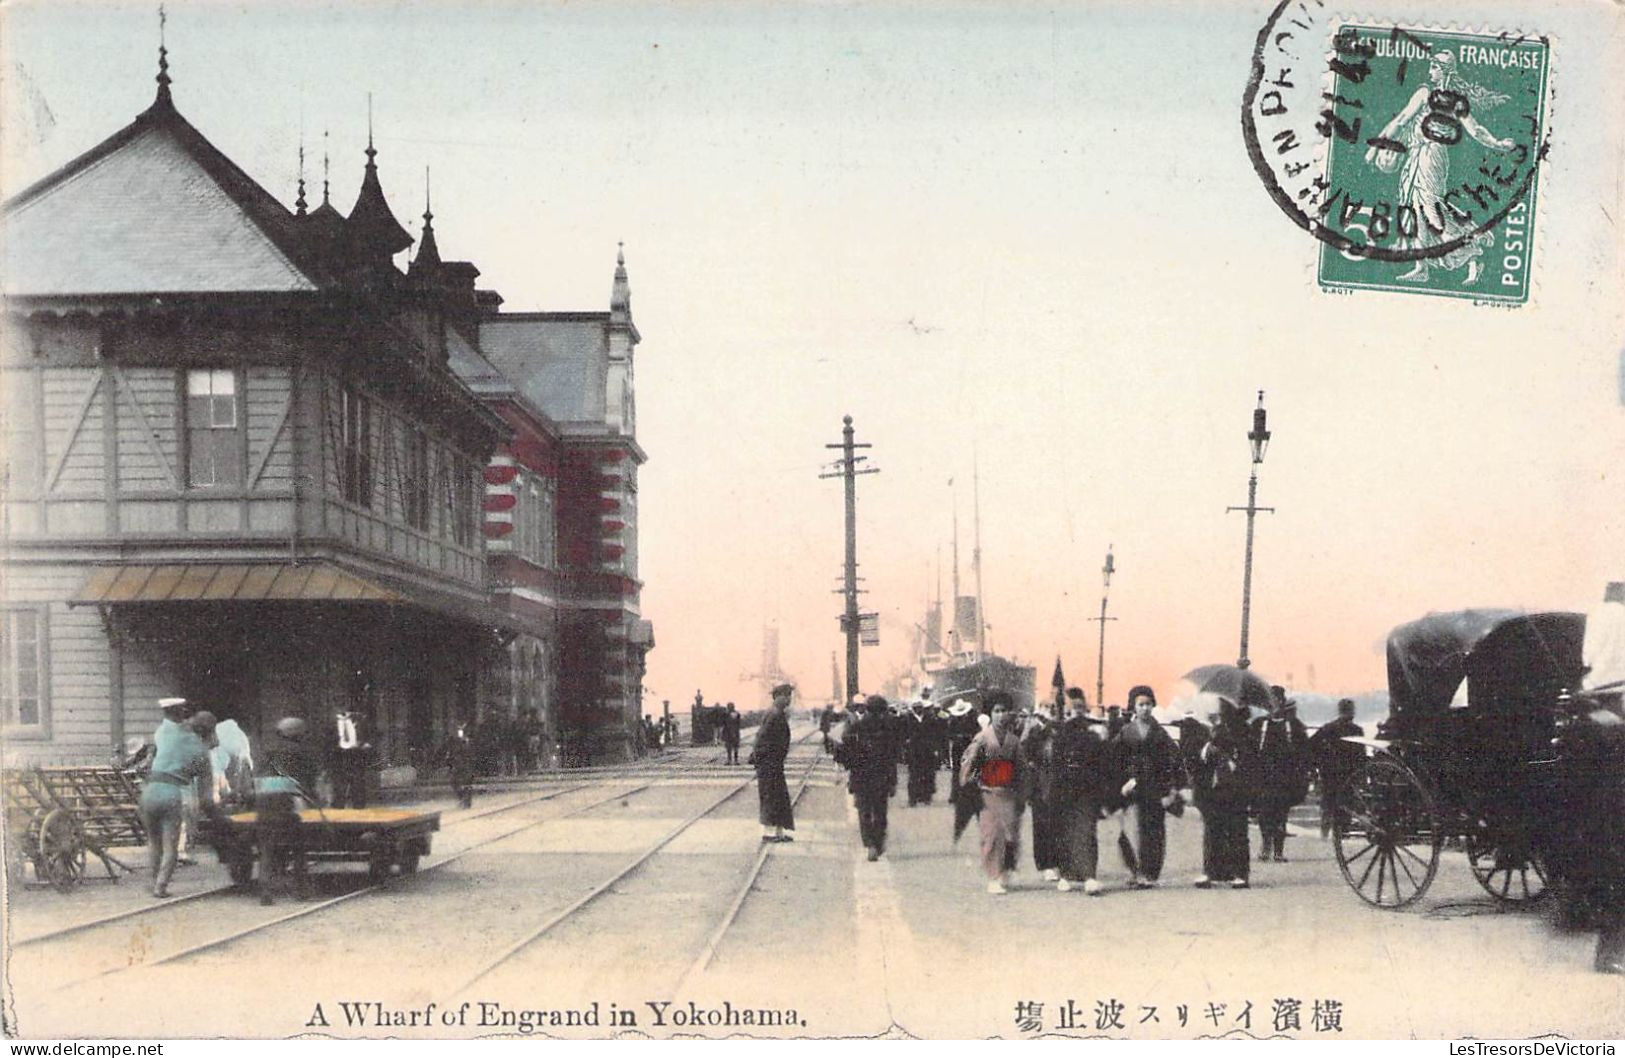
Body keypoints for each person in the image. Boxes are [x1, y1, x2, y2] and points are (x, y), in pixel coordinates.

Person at [139, 710, 221, 898]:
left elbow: (173, 725)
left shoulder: (168, 732)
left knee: (153, 841)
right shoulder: (202, 752)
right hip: (171, 793)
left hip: (149, 791)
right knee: (171, 845)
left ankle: (152, 881)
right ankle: (161, 886)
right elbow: (205, 796)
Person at [1114, 685, 1181, 889]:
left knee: (1154, 830)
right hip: (1133, 786)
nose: (1145, 708)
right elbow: (1115, 758)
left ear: (1153, 706)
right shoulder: (1126, 732)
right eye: (1140, 705)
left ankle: (1151, 873)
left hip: (1155, 785)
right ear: (1133, 707)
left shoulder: (1160, 733)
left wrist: (1171, 788)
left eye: (1148, 704)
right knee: (1133, 829)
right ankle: (1136, 870)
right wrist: (1123, 781)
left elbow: (1173, 759)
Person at [960, 692, 1027, 894]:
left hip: (1008, 793)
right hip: (987, 792)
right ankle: (993, 876)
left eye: (1004, 710)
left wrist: (1022, 793)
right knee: (991, 835)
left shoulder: (1014, 741)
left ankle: (1006, 869)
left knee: (1010, 835)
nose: (1000, 715)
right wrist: (971, 781)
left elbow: (1022, 770)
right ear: (990, 714)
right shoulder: (981, 739)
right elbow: (968, 764)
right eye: (996, 711)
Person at [254, 716, 322, 905]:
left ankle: (265, 892)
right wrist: (316, 800)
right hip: (286, 801)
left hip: (263, 802)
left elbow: (257, 775)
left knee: (266, 848)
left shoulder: (267, 751)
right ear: (299, 735)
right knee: (298, 845)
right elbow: (310, 782)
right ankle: (301, 890)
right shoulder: (302, 752)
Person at [1053, 688, 1110, 895]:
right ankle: (1066, 874)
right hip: (1065, 787)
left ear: (1085, 708)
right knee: (1065, 831)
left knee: (1086, 831)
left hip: (1087, 788)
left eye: (1080, 707)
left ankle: (1089, 876)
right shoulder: (1060, 731)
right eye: (1073, 707)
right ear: (1067, 708)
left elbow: (1101, 763)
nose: (1077, 711)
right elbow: (1056, 763)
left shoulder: (1094, 731)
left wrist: (1102, 792)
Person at [1194, 699, 1255, 889]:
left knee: (1229, 828)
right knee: (1220, 827)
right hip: (1223, 784)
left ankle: (1230, 872)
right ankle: (1224, 872)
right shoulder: (1224, 730)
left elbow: (1246, 757)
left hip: (1232, 784)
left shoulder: (1237, 731)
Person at [836, 695, 899, 860]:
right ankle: (877, 844)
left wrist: (850, 768)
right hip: (881, 778)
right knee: (880, 813)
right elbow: (892, 758)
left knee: (864, 812)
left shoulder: (856, 727)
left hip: (861, 777)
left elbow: (843, 752)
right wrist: (892, 782)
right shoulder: (888, 729)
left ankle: (870, 844)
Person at [1251, 686, 1309, 862]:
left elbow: (1304, 750)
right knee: (1263, 813)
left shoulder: (1293, 725)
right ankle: (1265, 844)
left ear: (1282, 702)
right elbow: (1250, 749)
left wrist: (1302, 773)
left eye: (1276, 700)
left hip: (1285, 777)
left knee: (1281, 813)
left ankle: (1278, 850)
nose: (1274, 705)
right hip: (1263, 776)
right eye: (1270, 701)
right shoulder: (1259, 725)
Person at [1309, 698, 1365, 839]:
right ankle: (1341, 835)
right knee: (1345, 804)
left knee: (1328, 805)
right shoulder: (1357, 730)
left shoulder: (1328, 728)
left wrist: (1317, 765)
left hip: (1330, 772)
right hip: (1348, 773)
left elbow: (1311, 746)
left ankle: (1325, 835)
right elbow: (1361, 755)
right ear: (1352, 712)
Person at [749, 683, 795, 843]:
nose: (789, 699)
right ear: (779, 697)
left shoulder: (777, 713)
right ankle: (769, 833)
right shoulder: (774, 714)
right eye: (787, 695)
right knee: (771, 796)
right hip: (769, 763)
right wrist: (761, 757)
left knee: (778, 796)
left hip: (773, 763)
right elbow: (762, 738)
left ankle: (778, 831)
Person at [1022, 709, 1063, 882]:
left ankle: (1060, 862)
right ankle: (1046, 864)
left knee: (1059, 825)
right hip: (1040, 785)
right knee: (1041, 825)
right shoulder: (1035, 734)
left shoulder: (1062, 733)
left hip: (1059, 785)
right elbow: (1025, 755)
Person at [330, 706, 371, 809]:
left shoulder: (359, 721)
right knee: (339, 784)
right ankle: (338, 808)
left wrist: (365, 744)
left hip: (356, 754)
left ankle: (359, 807)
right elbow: (327, 741)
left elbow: (369, 735)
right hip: (339, 755)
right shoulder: (332, 724)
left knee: (357, 783)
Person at [905, 701, 941, 806]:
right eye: (916, 708)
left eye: (920, 707)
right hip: (914, 751)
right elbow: (903, 734)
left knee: (927, 774)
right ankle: (913, 798)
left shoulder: (930, 719)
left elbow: (935, 734)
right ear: (913, 709)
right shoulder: (908, 720)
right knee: (913, 775)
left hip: (927, 751)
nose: (918, 709)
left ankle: (926, 797)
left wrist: (935, 748)